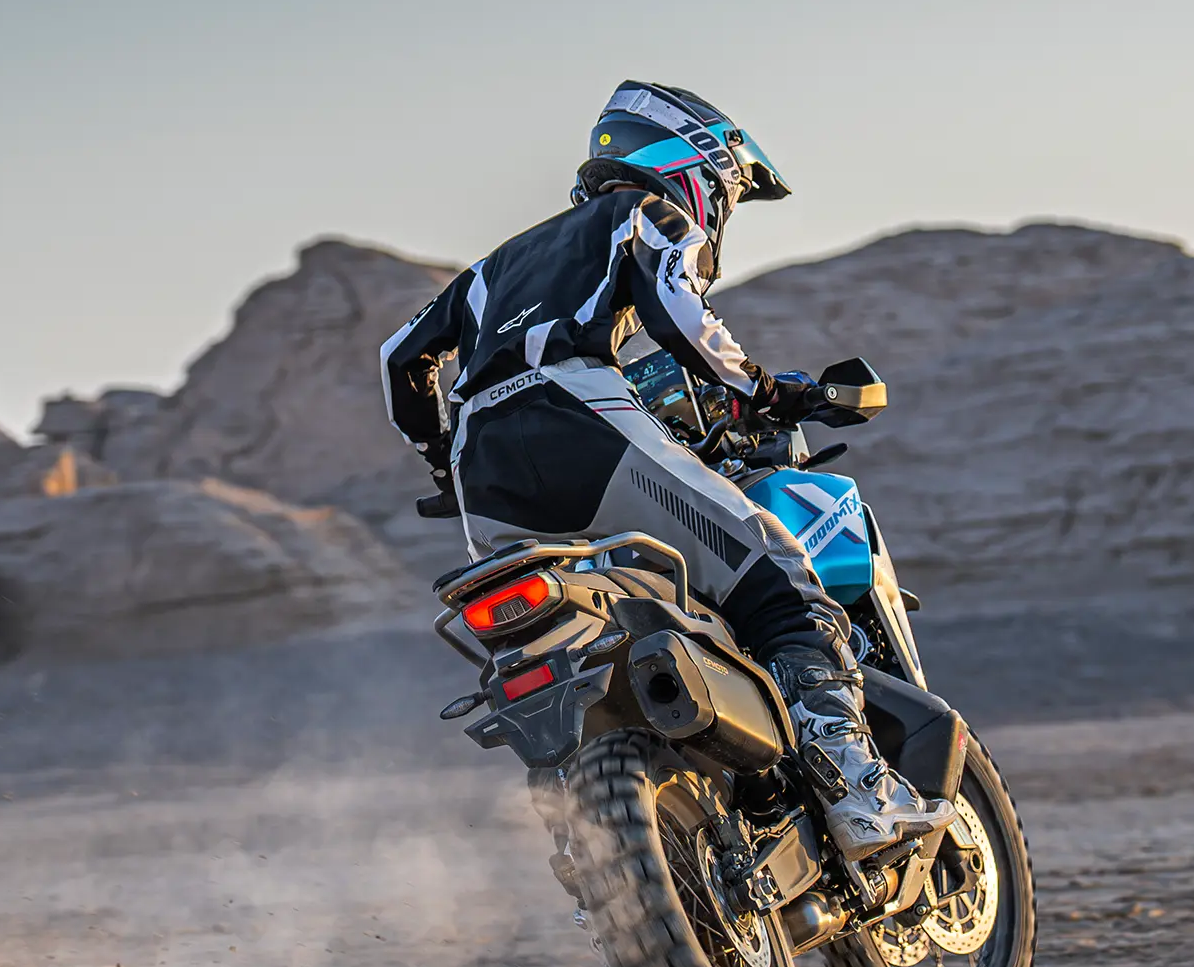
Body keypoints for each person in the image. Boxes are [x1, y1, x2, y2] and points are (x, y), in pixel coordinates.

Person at [380, 81, 952, 861]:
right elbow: (679, 311)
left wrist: (441, 462)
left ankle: (600, 861)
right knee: (778, 578)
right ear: (694, 166)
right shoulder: (644, 214)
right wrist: (762, 388)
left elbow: (401, 359)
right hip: (579, 419)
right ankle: (857, 787)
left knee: (559, 650)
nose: (721, 211)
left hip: (482, 472)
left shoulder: (488, 271)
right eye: (727, 193)